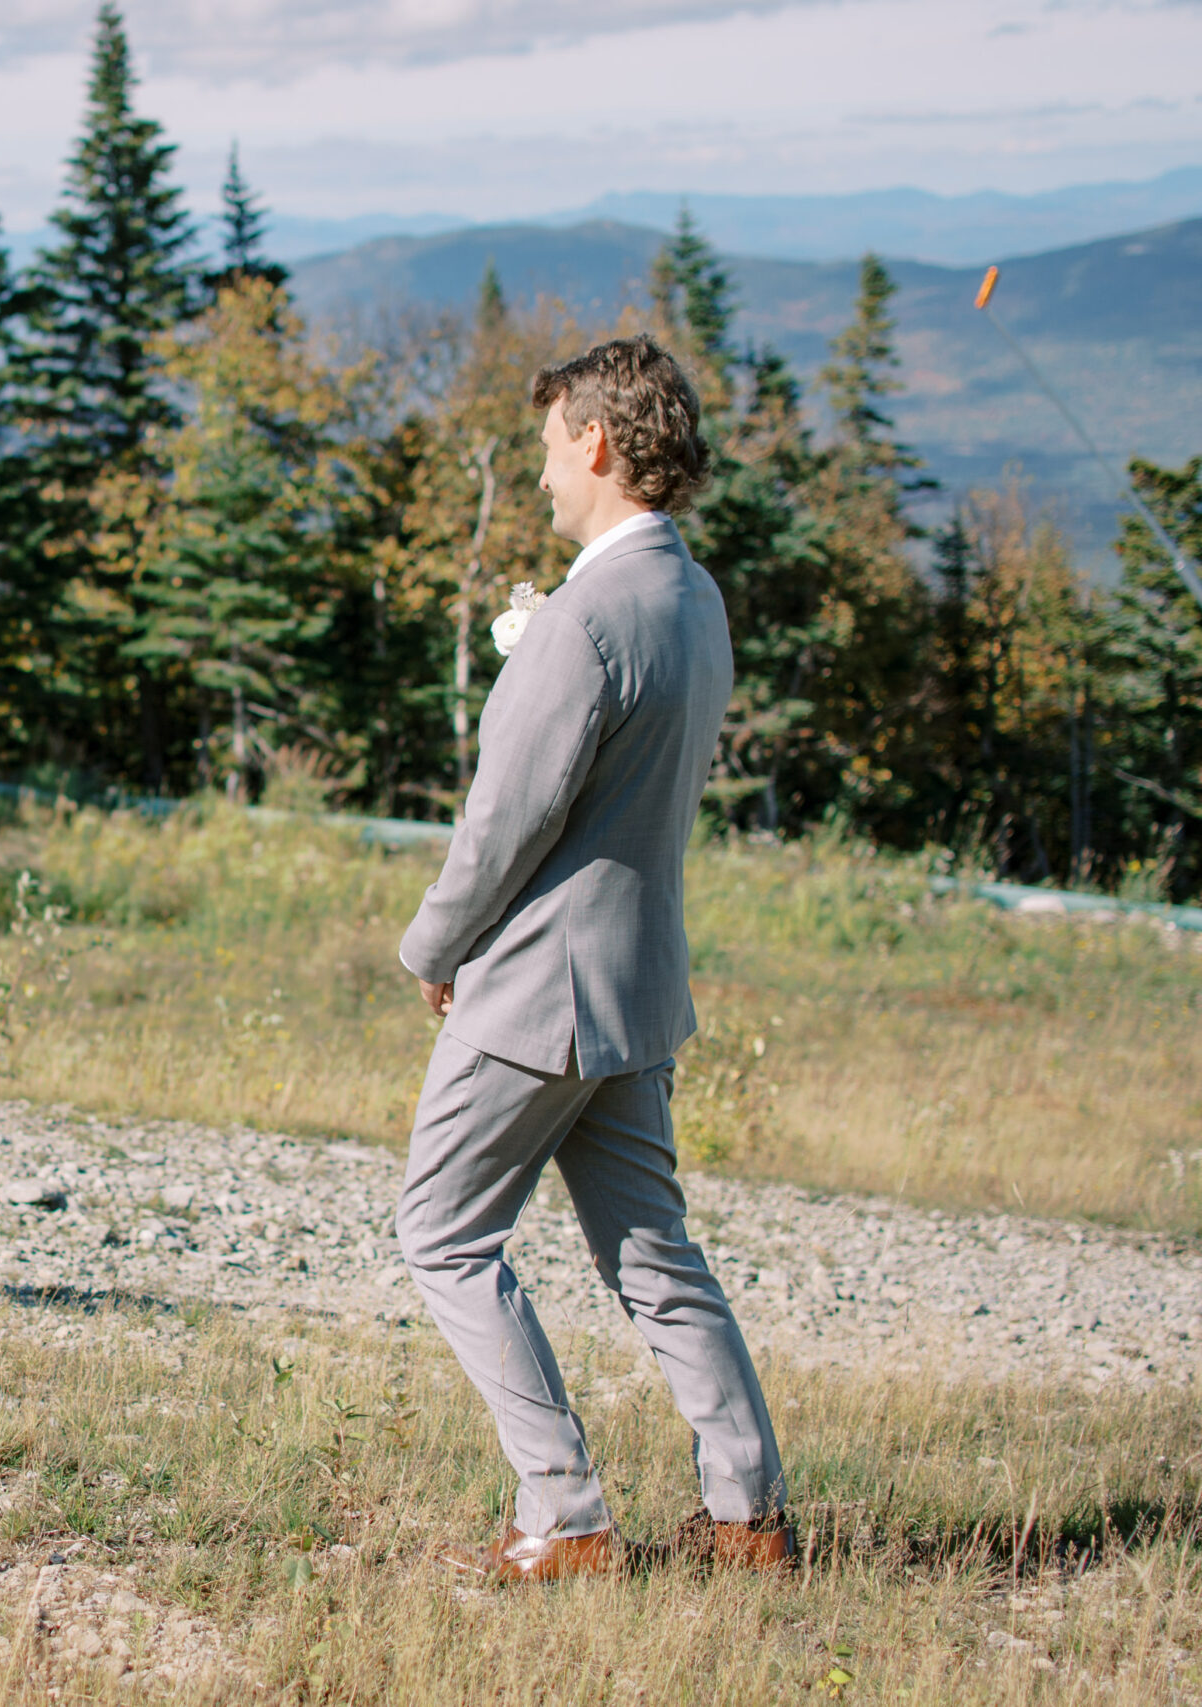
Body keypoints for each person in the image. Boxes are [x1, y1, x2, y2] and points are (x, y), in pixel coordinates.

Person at [395, 336, 792, 1582]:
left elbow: (503, 821)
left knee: (443, 1232)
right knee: (656, 1259)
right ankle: (748, 1519)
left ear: (599, 444)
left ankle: (563, 1519)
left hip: (534, 995)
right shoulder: (693, 597)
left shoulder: (582, 622)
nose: (546, 470)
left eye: (552, 445)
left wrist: (432, 946)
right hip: (638, 985)